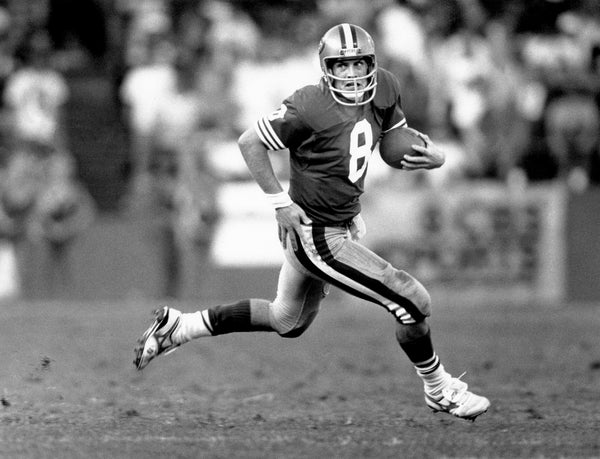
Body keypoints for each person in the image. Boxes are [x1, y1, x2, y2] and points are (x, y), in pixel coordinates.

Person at [133, 23, 490, 421]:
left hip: (338, 224)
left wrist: (434, 155)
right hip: (315, 233)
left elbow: (394, 139)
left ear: (373, 64)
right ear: (326, 68)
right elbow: (249, 142)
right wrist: (278, 202)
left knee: (287, 320)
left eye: (360, 64)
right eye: (343, 65)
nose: (353, 74)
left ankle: (179, 327)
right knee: (411, 299)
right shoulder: (308, 105)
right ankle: (439, 388)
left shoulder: (386, 87)